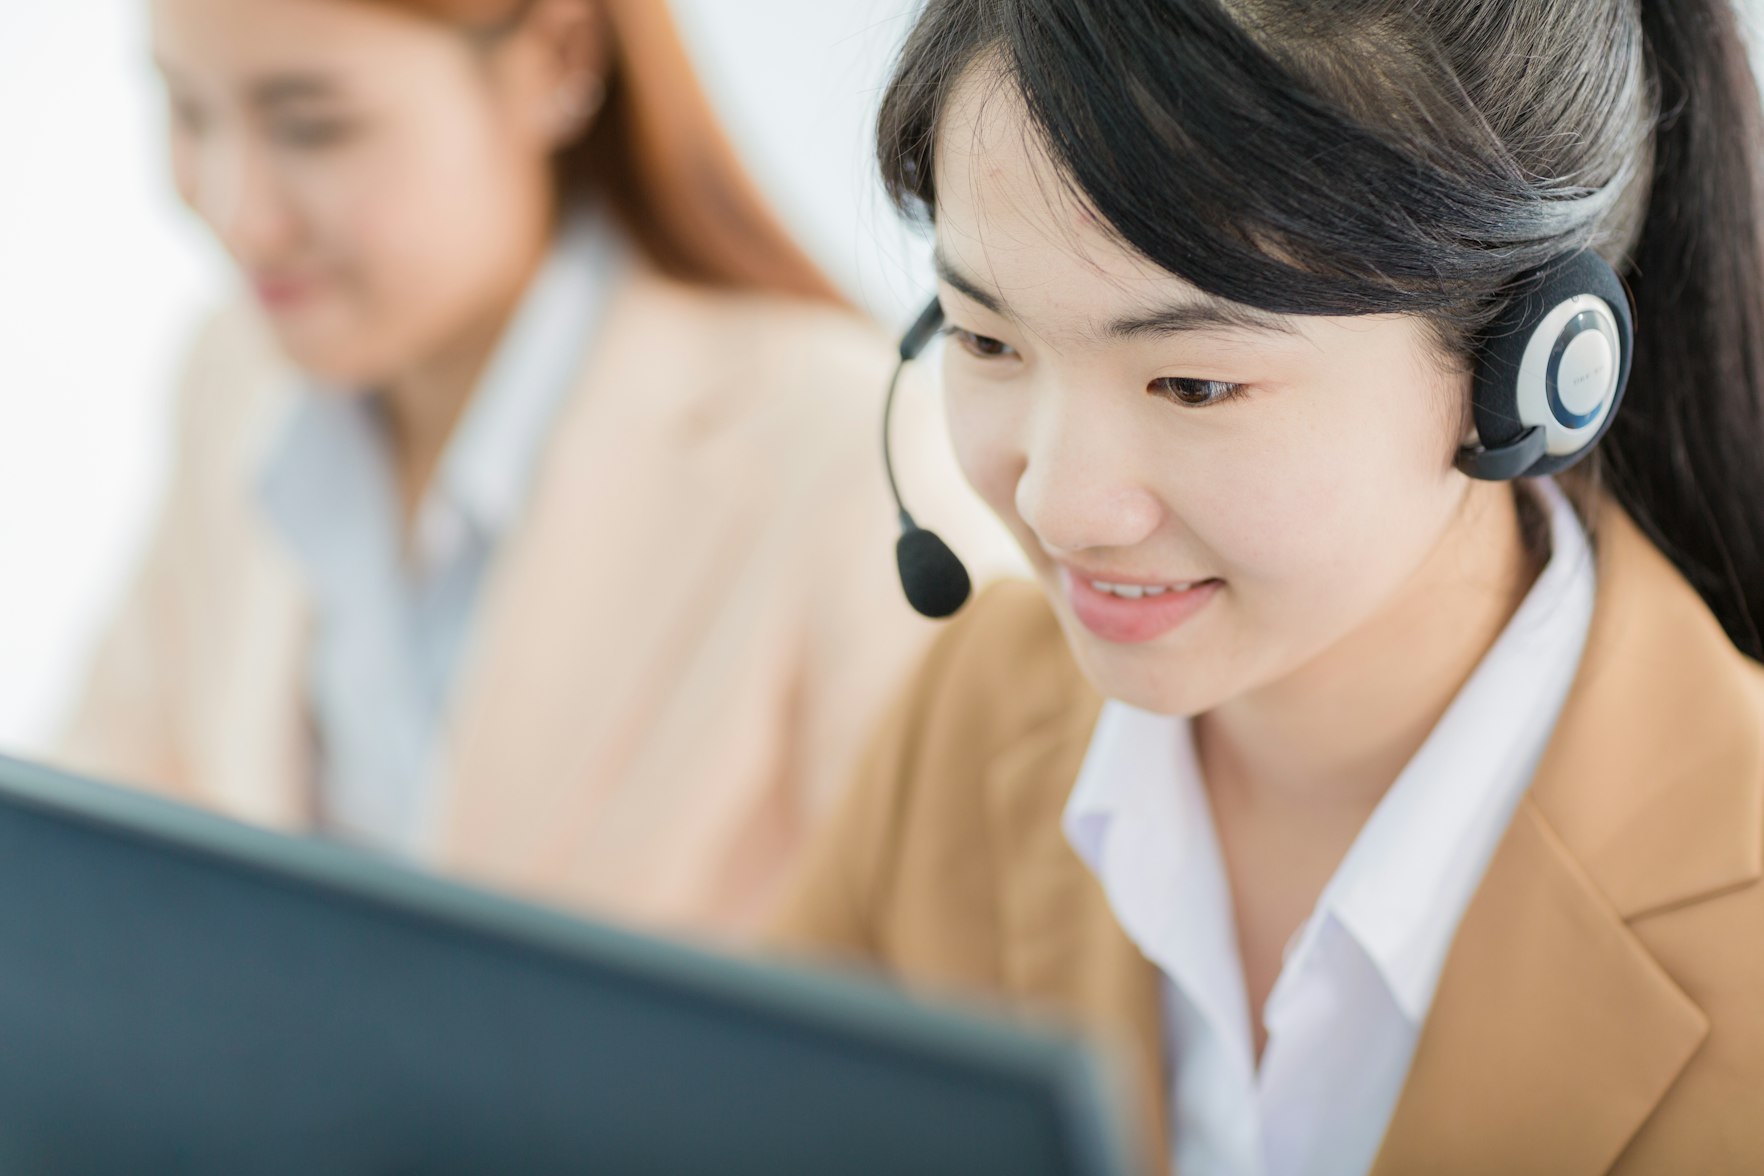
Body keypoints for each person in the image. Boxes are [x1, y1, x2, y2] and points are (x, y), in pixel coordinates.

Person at [772, 0, 1764, 1171]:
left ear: (1534, 376)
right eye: (989, 342)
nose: (1056, 506)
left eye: (1191, 384)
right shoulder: (981, 705)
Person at [57, 0, 1002, 937]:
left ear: (553, 56)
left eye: (313, 126)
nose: (237, 214)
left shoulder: (837, 449)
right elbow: (87, 850)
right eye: (186, 110)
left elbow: (970, 988)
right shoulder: (234, 382)